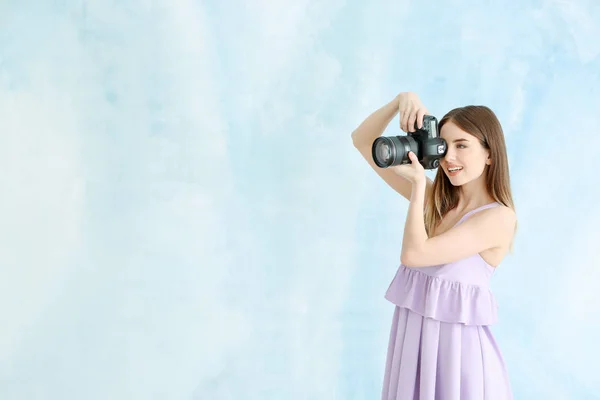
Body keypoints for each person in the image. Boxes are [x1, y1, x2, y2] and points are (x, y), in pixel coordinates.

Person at [351, 92, 516, 399]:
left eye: (462, 145)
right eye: (443, 145)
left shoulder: (499, 218)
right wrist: (401, 100)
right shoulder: (436, 202)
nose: (448, 158)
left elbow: (414, 255)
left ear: (489, 153)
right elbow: (362, 140)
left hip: (461, 369)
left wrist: (416, 187)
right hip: (413, 357)